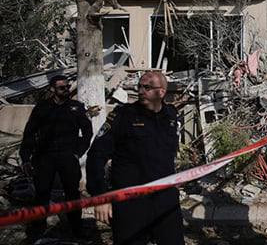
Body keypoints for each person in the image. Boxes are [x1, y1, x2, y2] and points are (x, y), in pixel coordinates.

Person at [86, 71, 184, 245]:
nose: (140, 91)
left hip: (165, 200)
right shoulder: (123, 116)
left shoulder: (171, 115)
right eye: (139, 86)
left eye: (147, 87)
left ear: (161, 92)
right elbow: (96, 155)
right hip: (130, 202)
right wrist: (100, 196)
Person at [19, 75, 92, 238]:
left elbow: (87, 132)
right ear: (52, 89)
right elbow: (29, 133)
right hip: (44, 157)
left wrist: (78, 152)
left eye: (67, 87)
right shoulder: (42, 108)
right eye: (62, 88)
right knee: (42, 193)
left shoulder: (76, 107)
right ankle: (37, 230)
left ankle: (76, 229)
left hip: (68, 157)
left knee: (72, 193)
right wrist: (25, 158)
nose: (66, 90)